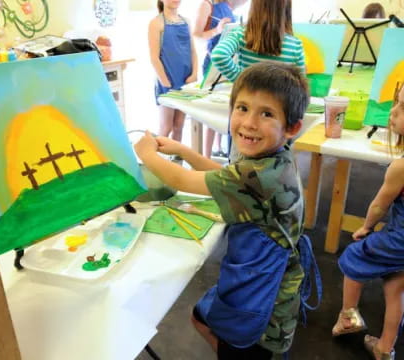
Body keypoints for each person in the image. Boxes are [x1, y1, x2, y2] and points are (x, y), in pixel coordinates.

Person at [134, 62, 321, 359]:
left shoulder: (260, 177)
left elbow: (180, 179)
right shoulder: (275, 158)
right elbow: (225, 177)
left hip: (263, 300)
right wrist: (183, 151)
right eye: (243, 108)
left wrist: (145, 154)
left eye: (267, 113)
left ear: (292, 128)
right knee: (201, 317)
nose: (249, 122)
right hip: (261, 279)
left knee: (244, 349)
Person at [332, 83, 404, 360]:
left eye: (402, 106)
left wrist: (366, 227)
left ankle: (349, 316)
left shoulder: (400, 167)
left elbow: (378, 206)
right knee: (395, 287)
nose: (393, 112)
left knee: (355, 257)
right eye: (396, 103)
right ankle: (385, 349)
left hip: (399, 238)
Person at [193, 0, 247, 159]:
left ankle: (217, 148)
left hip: (229, 64)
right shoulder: (206, 5)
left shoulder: (228, 5)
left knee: (224, 108)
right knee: (212, 111)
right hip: (213, 63)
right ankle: (206, 157)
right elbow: (197, 35)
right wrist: (217, 30)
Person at [211, 0, 305, 84]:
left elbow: (218, 55)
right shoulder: (295, 44)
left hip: (248, 98)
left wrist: (241, 80)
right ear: (287, 10)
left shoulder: (240, 34)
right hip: (279, 101)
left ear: (254, 7)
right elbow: (301, 84)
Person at [148, 0, 198, 141]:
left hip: (185, 82)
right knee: (166, 128)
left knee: (179, 126)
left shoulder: (186, 22)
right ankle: (156, 161)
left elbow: (193, 52)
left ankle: (176, 161)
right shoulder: (156, 23)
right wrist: (166, 83)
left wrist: (194, 74)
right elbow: (154, 57)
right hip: (167, 83)